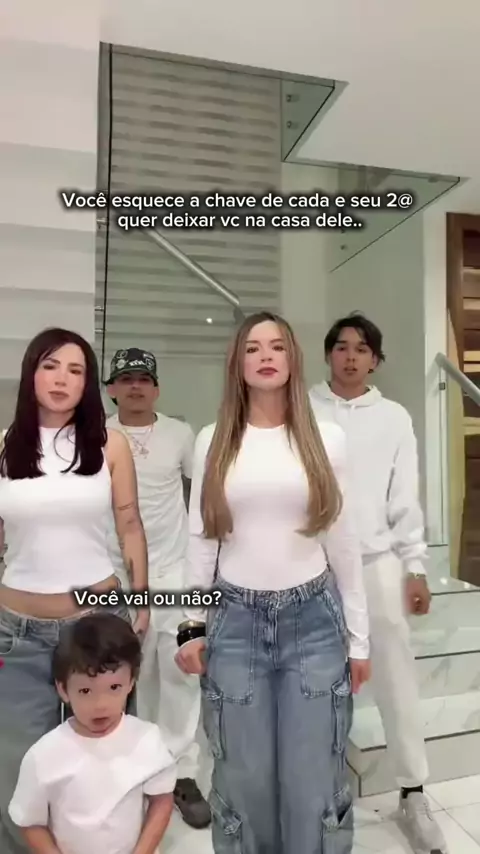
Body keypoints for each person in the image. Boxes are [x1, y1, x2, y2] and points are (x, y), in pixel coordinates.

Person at [175, 311, 371, 854]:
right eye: (253, 347)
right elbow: (202, 539)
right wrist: (190, 626)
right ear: (237, 363)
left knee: (313, 778)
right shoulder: (214, 440)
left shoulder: (327, 439)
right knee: (244, 780)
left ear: (292, 359)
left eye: (278, 346)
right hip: (234, 623)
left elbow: (344, 542)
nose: (266, 356)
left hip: (314, 622)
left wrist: (359, 639)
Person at [0, 327, 150, 854]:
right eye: (50, 366)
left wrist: (142, 597)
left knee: (104, 763)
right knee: (20, 767)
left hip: (96, 626)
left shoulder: (110, 444)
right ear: (31, 374)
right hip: (14, 635)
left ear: (88, 383)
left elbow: (130, 525)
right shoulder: (4, 445)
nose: (61, 379)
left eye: (75, 369)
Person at [309, 313, 448, 854]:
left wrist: (416, 565)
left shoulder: (393, 417)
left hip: (377, 562)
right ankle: (321, 791)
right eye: (341, 347)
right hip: (313, 566)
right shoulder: (303, 408)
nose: (350, 356)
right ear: (328, 354)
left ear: (375, 360)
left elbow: (404, 494)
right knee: (317, 680)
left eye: (361, 349)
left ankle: (413, 791)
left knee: (395, 678)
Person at [105, 347, 210, 829]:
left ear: (156, 388)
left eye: (144, 379)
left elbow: (199, 494)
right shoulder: (98, 436)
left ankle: (183, 772)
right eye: (126, 379)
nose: (135, 386)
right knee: (135, 674)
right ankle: (148, 769)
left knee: (181, 671)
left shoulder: (179, 434)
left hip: (174, 572)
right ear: (112, 389)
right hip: (119, 575)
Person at [8, 612, 176, 854]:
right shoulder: (43, 756)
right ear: (63, 689)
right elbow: (29, 822)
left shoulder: (147, 739)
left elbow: (162, 800)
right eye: (86, 691)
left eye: (114, 687)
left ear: (131, 683)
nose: (101, 705)